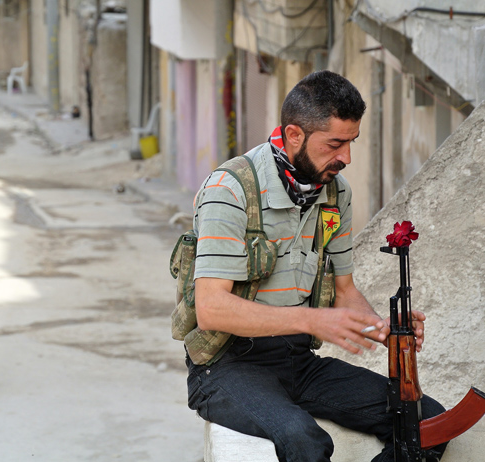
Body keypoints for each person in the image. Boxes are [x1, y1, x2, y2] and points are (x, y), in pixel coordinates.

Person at [186, 71, 447, 461]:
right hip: (227, 367)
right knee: (303, 438)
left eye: (351, 142)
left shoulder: (335, 193)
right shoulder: (231, 189)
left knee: (425, 421)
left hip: (297, 361)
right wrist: (311, 321)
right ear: (295, 135)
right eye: (335, 144)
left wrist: (386, 330)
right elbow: (211, 309)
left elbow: (344, 292)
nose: (346, 157)